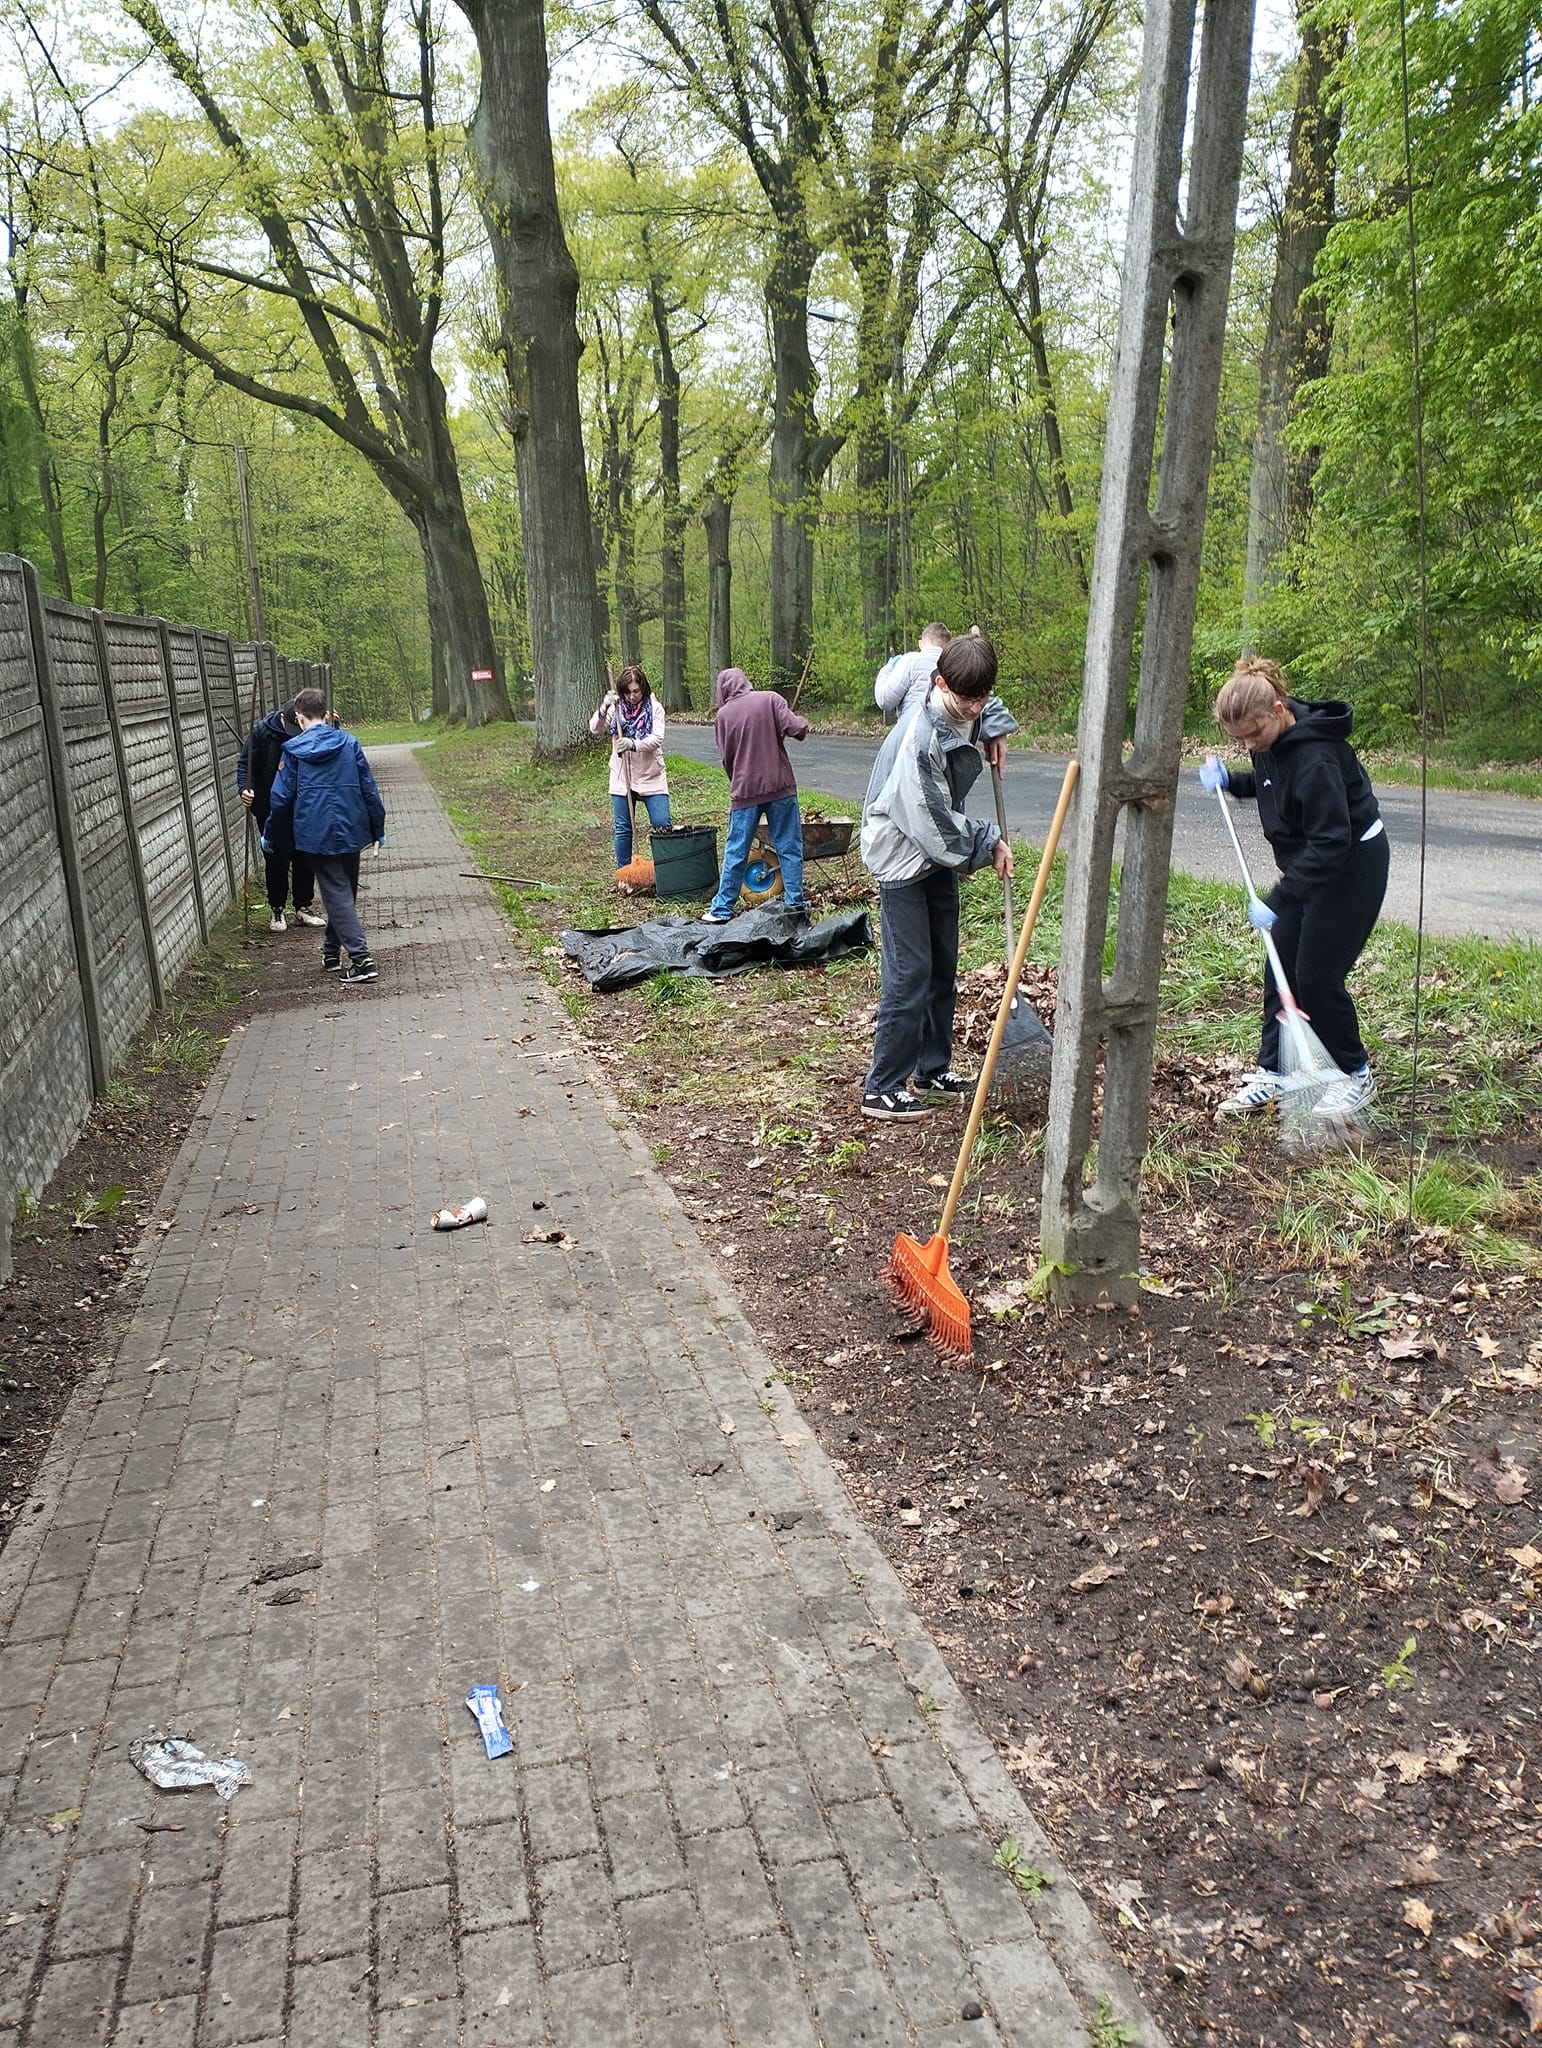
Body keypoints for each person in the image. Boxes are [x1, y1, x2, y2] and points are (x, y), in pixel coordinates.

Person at [1201, 656, 1388, 1119]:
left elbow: (1331, 843)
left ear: (1279, 710)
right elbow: (1272, 783)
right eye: (1238, 739)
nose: (1248, 744)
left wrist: (1280, 898)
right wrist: (1233, 781)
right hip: (1315, 862)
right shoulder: (1270, 737)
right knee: (1280, 960)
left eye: (1252, 735)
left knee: (1317, 976)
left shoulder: (1317, 758)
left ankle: (1355, 1074)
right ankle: (1276, 1070)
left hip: (1351, 866)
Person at [859, 632, 1016, 1120]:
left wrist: (994, 725)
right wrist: (988, 841)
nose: (972, 707)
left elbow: (982, 699)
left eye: (982, 699)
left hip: (933, 855)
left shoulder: (967, 702)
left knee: (943, 963)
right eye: (965, 699)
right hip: (904, 855)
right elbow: (938, 829)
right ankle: (883, 1085)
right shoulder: (918, 740)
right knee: (912, 972)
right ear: (939, 682)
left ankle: (932, 1067)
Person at [264, 687, 386, 985]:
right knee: (344, 893)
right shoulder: (349, 743)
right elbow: (368, 788)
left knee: (337, 894)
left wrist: (270, 833)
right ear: (327, 714)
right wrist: (377, 827)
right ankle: (331, 953)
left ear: (299, 717)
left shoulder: (293, 751)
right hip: (352, 827)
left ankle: (361, 960)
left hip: (315, 831)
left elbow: (281, 799)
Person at [702, 667, 810, 923]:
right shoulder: (770, 699)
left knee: (736, 849)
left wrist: (739, 779)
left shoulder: (723, 716)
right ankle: (795, 904)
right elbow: (797, 729)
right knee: (789, 846)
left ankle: (722, 910)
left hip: (744, 791)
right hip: (779, 786)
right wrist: (802, 723)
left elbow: (727, 758)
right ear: (745, 682)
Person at [237, 702, 325, 933]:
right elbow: (245, 764)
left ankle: (303, 907)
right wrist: (245, 789)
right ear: (285, 719)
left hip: (303, 806)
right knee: (276, 858)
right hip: (270, 806)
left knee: (305, 855)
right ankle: (277, 910)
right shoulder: (262, 732)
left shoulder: (313, 733)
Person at [590, 665, 671, 867]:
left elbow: (657, 738)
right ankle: (624, 873)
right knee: (623, 827)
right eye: (627, 692)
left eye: (636, 691)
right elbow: (595, 729)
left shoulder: (655, 708)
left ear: (643, 688)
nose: (632, 696)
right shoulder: (615, 709)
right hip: (622, 776)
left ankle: (666, 870)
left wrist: (633, 744)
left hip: (651, 774)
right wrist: (603, 707)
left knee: (662, 824)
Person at [874, 622, 952, 719]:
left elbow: (884, 700)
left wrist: (887, 669)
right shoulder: (953, 667)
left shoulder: (910, 660)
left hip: (911, 729)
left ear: (920, 643)